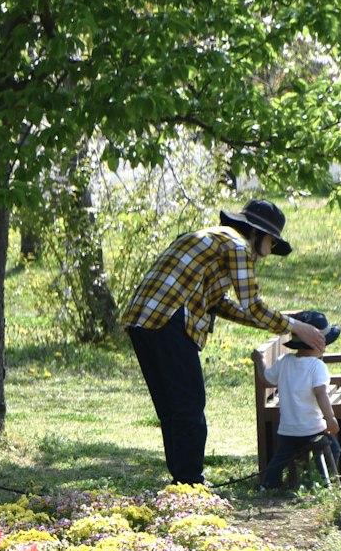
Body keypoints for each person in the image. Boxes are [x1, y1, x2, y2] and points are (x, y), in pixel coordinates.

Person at [122, 198, 325, 486]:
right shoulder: (238, 245)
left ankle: (183, 483)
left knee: (173, 408)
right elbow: (252, 305)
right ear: (259, 234)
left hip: (142, 319)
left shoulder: (217, 241)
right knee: (190, 406)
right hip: (168, 318)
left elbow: (222, 305)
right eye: (271, 244)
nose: (266, 255)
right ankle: (191, 485)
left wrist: (286, 321)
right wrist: (294, 327)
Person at [258, 310, 341, 491]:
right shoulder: (317, 366)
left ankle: (268, 485)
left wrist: (259, 361)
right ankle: (322, 482)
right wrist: (330, 418)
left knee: (280, 458)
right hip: (314, 428)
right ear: (319, 345)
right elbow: (321, 393)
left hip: (288, 430)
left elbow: (266, 378)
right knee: (333, 449)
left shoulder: (284, 361)